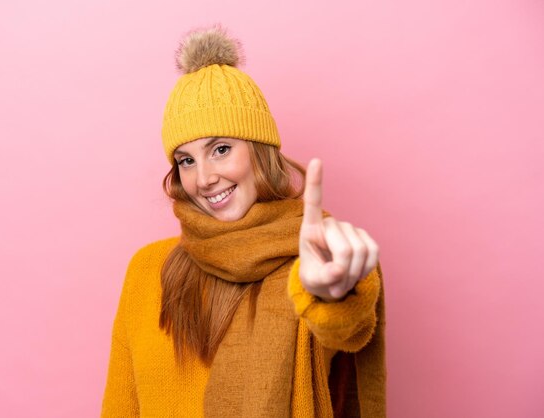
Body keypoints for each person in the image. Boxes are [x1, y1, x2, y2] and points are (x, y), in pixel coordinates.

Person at [101, 25, 386, 417]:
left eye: (220, 149)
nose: (203, 178)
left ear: (259, 151)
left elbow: (347, 329)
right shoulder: (146, 270)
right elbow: (121, 408)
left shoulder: (318, 256)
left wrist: (333, 295)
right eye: (186, 160)